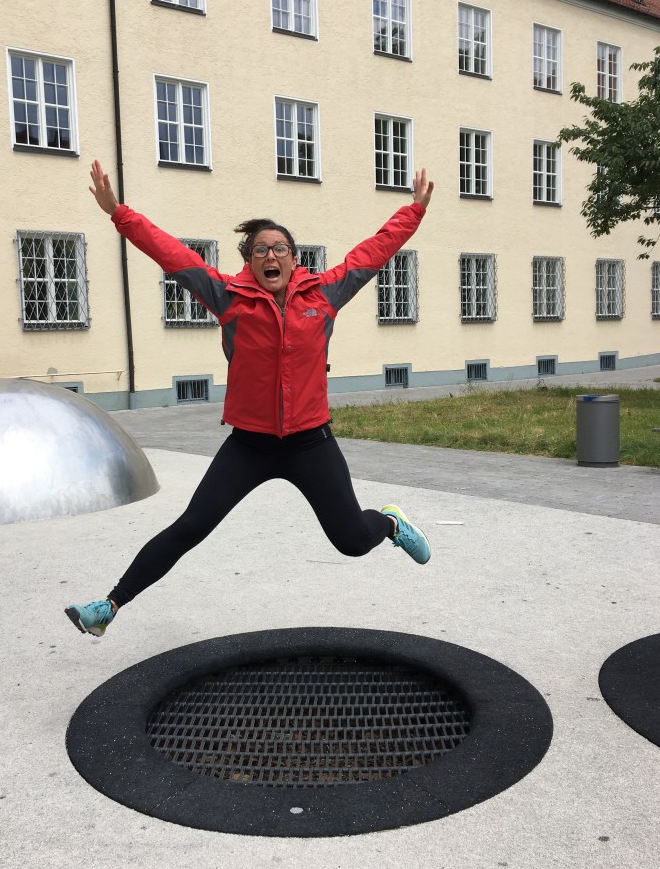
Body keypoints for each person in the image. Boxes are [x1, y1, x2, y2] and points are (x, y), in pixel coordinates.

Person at [65, 160, 435, 637]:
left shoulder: (324, 294)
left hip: (310, 443)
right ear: (250, 260)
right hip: (249, 446)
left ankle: (390, 524)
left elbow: (374, 252)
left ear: (293, 258)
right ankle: (109, 607)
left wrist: (415, 211)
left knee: (351, 540)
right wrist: (119, 212)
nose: (271, 255)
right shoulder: (228, 297)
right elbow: (170, 252)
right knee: (191, 526)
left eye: (280, 247)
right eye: (261, 249)